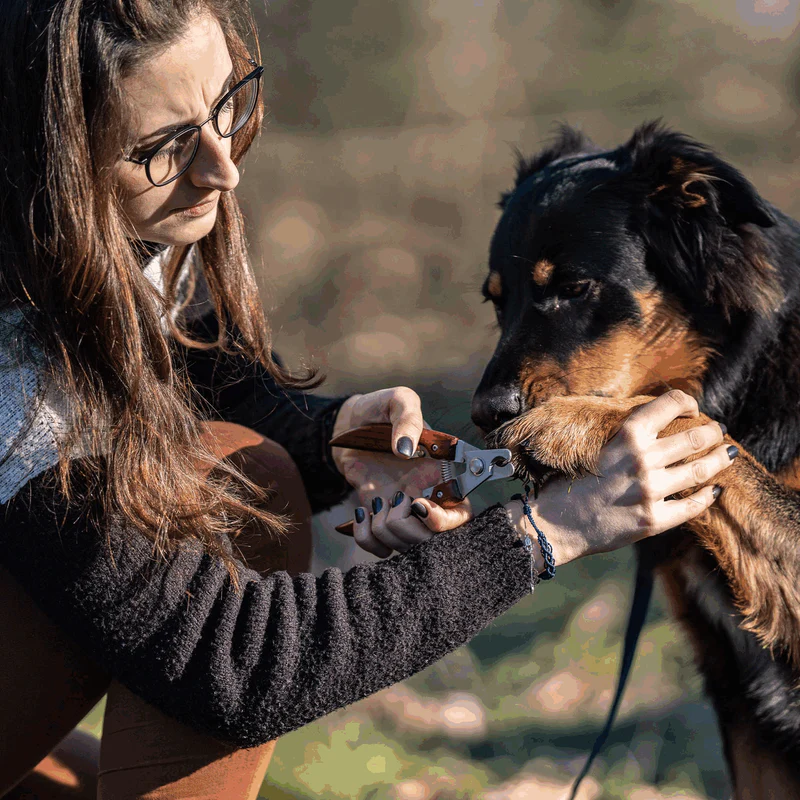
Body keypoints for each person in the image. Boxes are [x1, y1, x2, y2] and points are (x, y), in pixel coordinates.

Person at [0, 0, 735, 797]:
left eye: (225, 106)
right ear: (50, 161)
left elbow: (186, 363)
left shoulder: (97, 232)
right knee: (230, 489)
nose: (223, 168)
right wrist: (548, 531)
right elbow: (233, 664)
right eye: (165, 148)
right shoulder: (16, 364)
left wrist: (333, 438)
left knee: (250, 469)